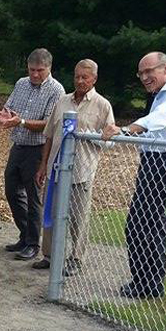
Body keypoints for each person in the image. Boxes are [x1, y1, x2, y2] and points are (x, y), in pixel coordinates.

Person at [102, 51, 166, 299]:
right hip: (151, 161)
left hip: (165, 162)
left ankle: (147, 283)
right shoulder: (158, 95)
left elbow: (158, 121)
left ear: (165, 69)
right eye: (141, 73)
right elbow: (150, 129)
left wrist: (124, 130)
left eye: (149, 71)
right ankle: (147, 283)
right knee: (150, 223)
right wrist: (119, 135)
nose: (144, 77)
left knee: (139, 223)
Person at [33, 59, 115, 275]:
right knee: (50, 212)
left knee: (79, 218)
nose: (80, 81)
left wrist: (88, 133)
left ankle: (76, 258)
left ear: (94, 79)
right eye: (77, 76)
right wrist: (43, 165)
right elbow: (49, 135)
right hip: (56, 169)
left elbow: (109, 141)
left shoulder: (102, 105)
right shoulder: (62, 101)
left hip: (81, 171)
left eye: (84, 77)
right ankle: (49, 255)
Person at [0, 48, 65, 262]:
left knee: (34, 196)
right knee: (11, 189)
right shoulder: (21, 84)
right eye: (32, 70)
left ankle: (33, 243)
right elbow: (11, 107)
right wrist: (5, 115)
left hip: (38, 148)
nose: (35, 74)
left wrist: (21, 121)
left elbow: (49, 124)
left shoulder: (56, 90)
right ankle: (25, 234)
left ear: (49, 68)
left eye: (39, 70)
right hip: (19, 144)